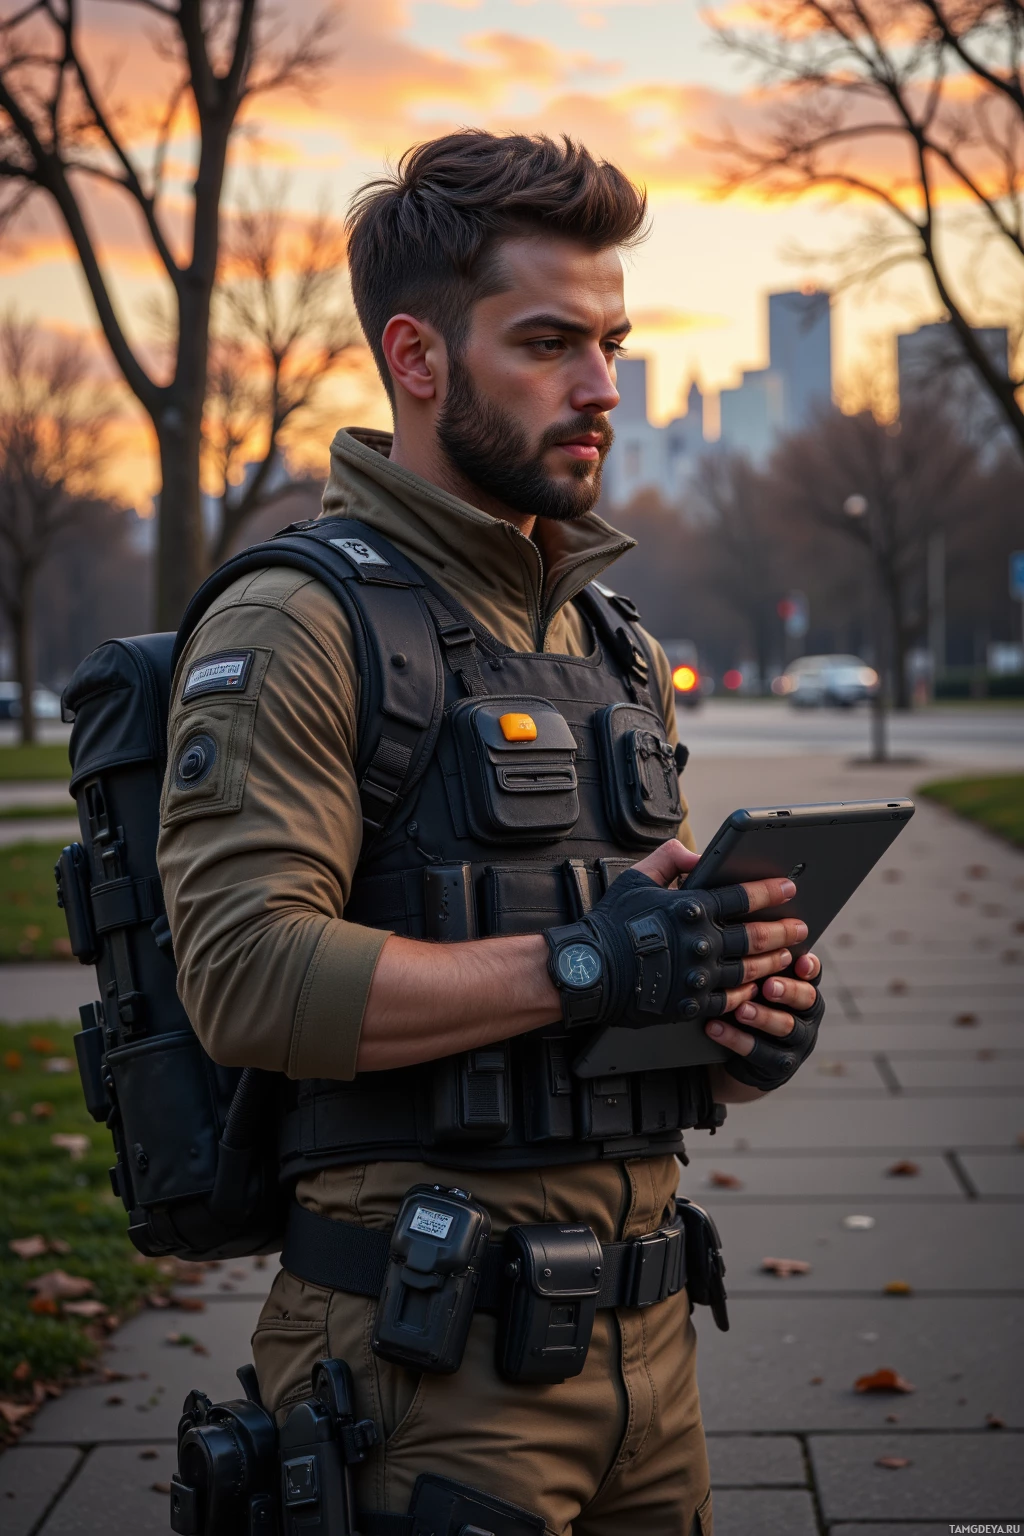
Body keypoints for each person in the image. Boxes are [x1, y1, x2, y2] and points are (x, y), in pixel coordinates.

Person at [158, 131, 823, 1536]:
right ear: (417, 357)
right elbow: (243, 978)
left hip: (653, 1360)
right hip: (420, 1365)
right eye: (550, 344)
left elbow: (649, 959)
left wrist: (737, 1009)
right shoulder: (299, 621)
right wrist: (583, 966)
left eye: (614, 344)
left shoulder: (612, 639)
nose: (602, 390)